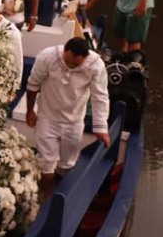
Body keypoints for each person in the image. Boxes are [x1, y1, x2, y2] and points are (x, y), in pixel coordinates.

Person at [25, 37, 112, 197]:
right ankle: (48, 198)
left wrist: (101, 128)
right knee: (46, 162)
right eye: (68, 61)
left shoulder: (96, 66)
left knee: (67, 163)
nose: (70, 66)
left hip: (74, 122)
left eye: (75, 64)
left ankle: (58, 191)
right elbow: (33, 84)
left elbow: (100, 96)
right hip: (47, 118)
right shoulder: (47, 57)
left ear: (85, 58)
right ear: (64, 50)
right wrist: (30, 110)